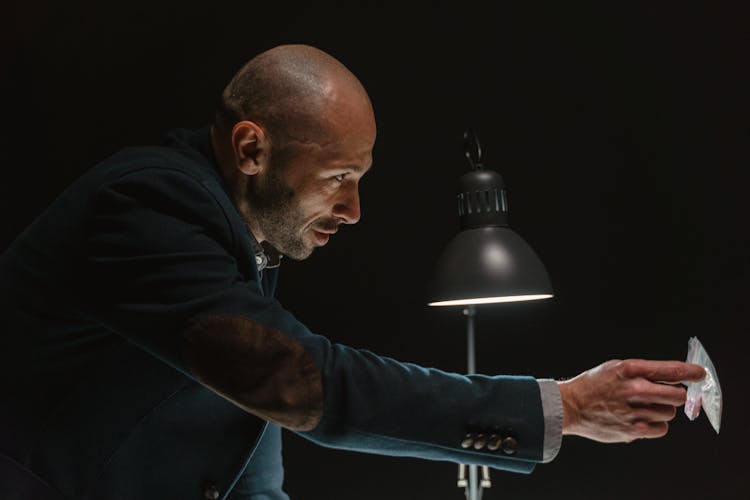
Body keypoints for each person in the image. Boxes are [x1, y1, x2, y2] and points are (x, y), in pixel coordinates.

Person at [0, 44, 704, 500]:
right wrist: (564, 407)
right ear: (252, 147)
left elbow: (247, 435)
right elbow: (299, 383)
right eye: (339, 176)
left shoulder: (233, 233)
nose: (356, 208)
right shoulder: (146, 207)